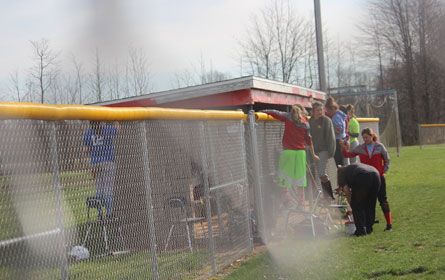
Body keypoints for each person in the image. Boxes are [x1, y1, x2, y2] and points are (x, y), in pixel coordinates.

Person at [262, 105, 319, 209]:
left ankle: (287, 200)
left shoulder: (288, 117)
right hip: (301, 153)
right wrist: (313, 154)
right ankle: (301, 203)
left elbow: (274, 112)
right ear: (302, 112)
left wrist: (263, 111)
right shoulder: (305, 123)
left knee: (284, 177)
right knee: (300, 179)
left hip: (288, 152)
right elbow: (309, 141)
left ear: (292, 111)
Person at [340, 128, 392, 231]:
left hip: (379, 177)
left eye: (367, 137)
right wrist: (343, 147)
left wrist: (383, 171)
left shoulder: (379, 147)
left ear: (372, 136)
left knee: (383, 200)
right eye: (363, 138)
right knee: (368, 201)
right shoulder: (360, 148)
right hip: (366, 179)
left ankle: (389, 224)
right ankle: (369, 223)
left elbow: (387, 159)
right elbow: (348, 155)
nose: (365, 140)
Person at [83, 120, 120, 220]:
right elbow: (117, 130)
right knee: (108, 188)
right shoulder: (107, 130)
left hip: (95, 163)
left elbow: (85, 150)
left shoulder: (87, 133)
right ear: (101, 121)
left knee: (99, 188)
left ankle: (100, 214)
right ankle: (109, 213)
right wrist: (115, 120)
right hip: (108, 161)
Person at [337, 163, 381, 236]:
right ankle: (369, 229)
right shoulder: (352, 167)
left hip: (362, 176)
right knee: (370, 204)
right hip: (376, 174)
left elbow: (347, 192)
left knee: (357, 205)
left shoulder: (342, 175)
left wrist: (352, 206)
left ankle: (361, 231)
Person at [308, 102, 336, 202]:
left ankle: (329, 196)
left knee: (321, 173)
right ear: (312, 111)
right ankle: (317, 196)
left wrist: (330, 153)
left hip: (323, 151)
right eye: (317, 110)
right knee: (312, 173)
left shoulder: (326, 121)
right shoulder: (310, 121)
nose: (320, 112)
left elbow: (331, 137)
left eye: (321, 110)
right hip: (312, 151)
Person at [325, 96, 348, 167]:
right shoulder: (340, 115)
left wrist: (332, 130)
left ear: (332, 109)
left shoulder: (335, 117)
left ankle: (342, 175)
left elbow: (339, 129)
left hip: (338, 141)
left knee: (339, 163)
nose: (328, 113)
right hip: (343, 139)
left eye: (328, 110)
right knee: (343, 162)